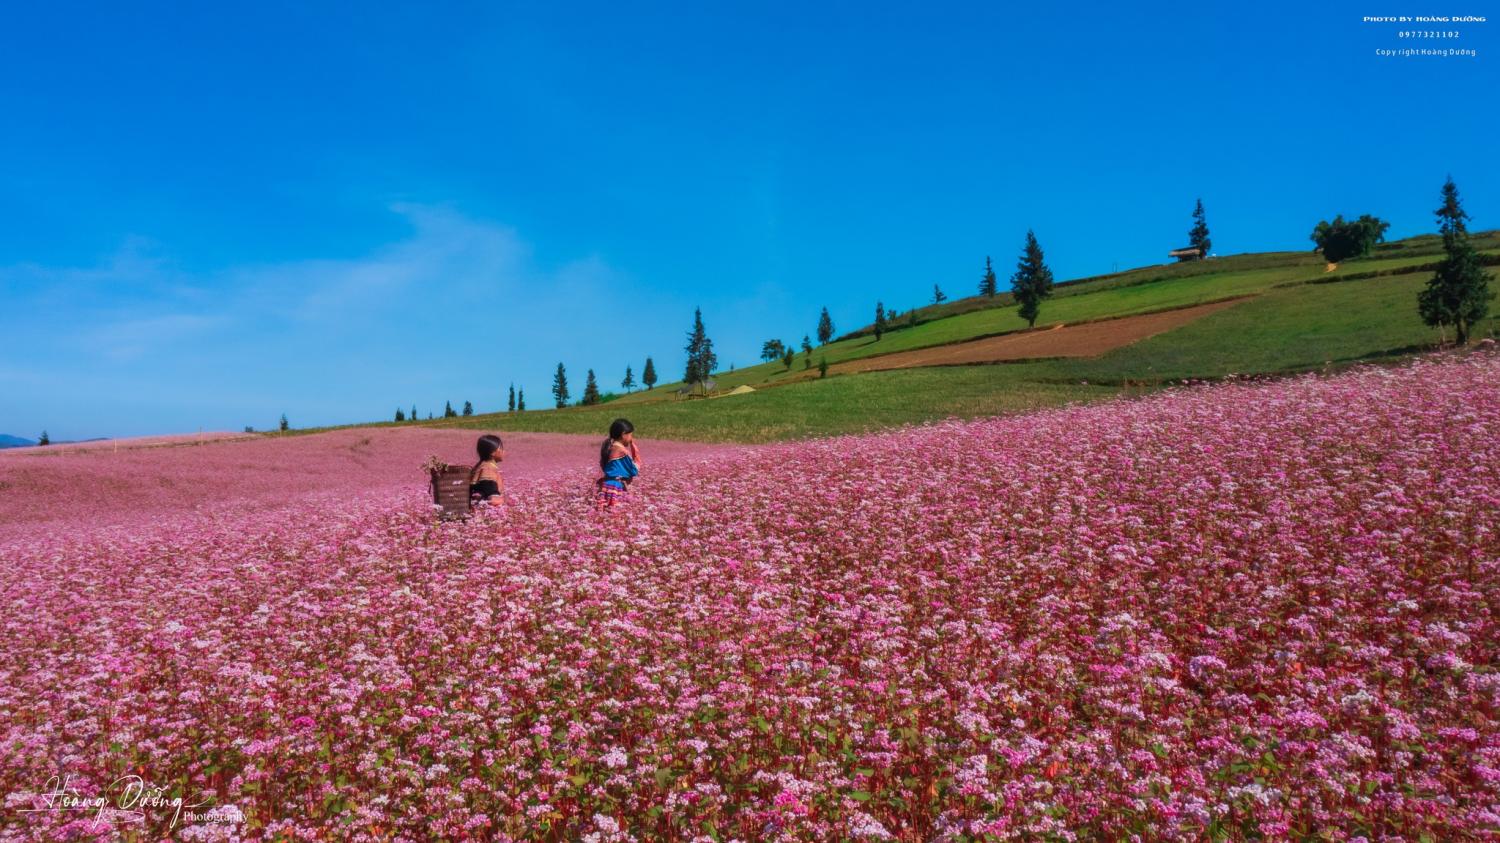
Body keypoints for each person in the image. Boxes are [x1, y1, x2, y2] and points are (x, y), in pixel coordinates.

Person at [596, 419, 642, 508]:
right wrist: (634, 449)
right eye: (631, 435)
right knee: (616, 514)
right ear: (624, 434)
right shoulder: (622, 451)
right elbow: (634, 470)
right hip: (617, 488)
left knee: (605, 514)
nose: (632, 438)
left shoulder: (609, 448)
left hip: (605, 486)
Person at [469, 434, 505, 503]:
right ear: (493, 453)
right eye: (501, 449)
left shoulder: (480, 466)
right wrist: (499, 501)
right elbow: (491, 492)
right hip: (486, 509)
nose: (503, 451)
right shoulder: (488, 469)